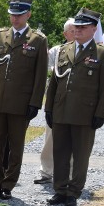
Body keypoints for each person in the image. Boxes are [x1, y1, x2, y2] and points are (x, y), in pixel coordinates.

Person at [45, 7, 104, 206]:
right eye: (76, 27)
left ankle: (73, 192)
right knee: (60, 152)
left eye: (83, 27)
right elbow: (54, 82)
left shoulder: (102, 53)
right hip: (61, 110)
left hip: (85, 113)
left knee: (81, 154)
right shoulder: (64, 50)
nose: (78, 30)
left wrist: (101, 113)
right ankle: (59, 189)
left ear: (94, 29)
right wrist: (49, 108)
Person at [0, 0, 48, 200]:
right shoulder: (0, 36)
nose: (15, 18)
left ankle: (8, 184)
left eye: (19, 15)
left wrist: (35, 102)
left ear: (28, 14)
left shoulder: (37, 39)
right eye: (12, 14)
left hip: (20, 103)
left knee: (16, 146)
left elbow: (40, 74)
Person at [35, 18, 75, 184]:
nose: (76, 33)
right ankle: (47, 171)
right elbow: (45, 72)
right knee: (51, 136)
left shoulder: (88, 51)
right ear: (65, 33)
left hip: (76, 102)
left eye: (78, 29)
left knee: (74, 139)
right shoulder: (56, 51)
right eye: (72, 30)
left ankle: (71, 174)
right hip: (57, 100)